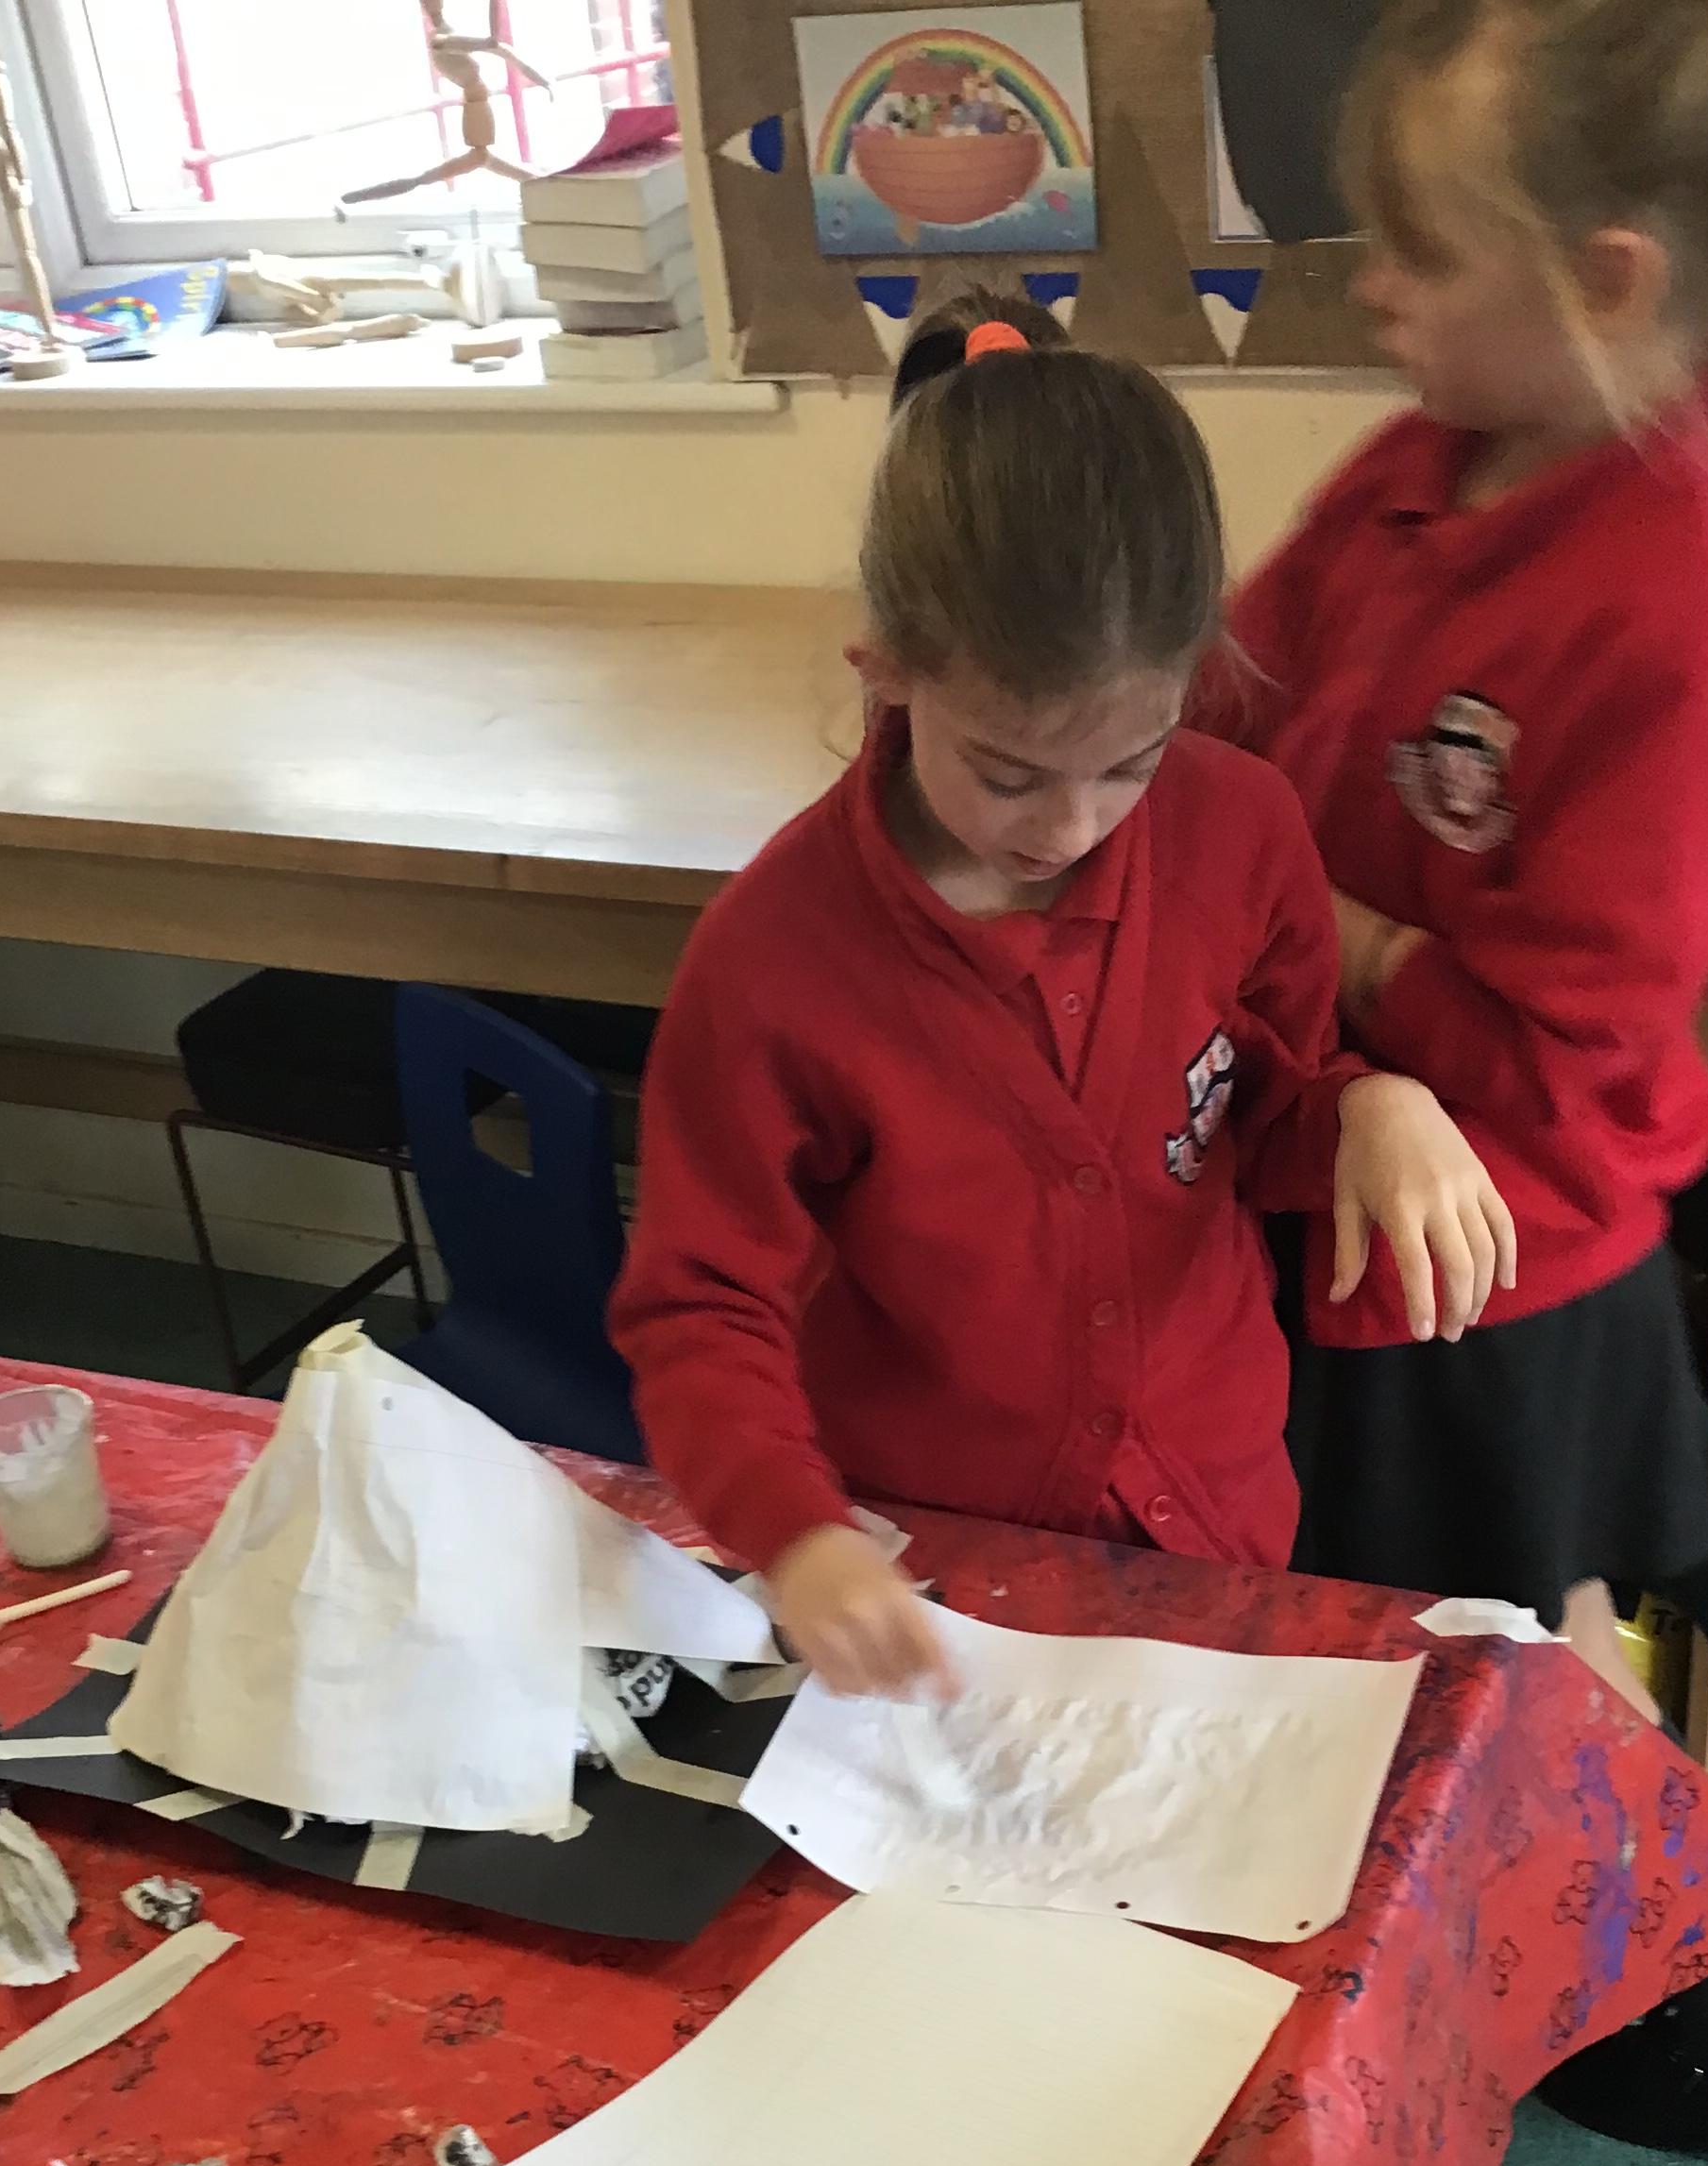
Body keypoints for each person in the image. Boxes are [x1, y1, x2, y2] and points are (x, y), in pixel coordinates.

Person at [1216, 0, 1708, 2160]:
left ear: (1607, 283)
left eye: (1422, 252)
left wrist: (1337, 936)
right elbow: (1232, 701)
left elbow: (1557, 1042)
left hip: (1492, 1273)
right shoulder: (1420, 462)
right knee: (1399, 1662)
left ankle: (1694, 2030)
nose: (1374, 289)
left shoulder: (1685, 603)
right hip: (1333, 1168)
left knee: (1500, 1673)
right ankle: (1441, 1989)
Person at [612, 293, 1513, 1704]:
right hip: (930, 1571)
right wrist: (797, 1535)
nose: (1071, 828)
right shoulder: (777, 958)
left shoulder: (1241, 830)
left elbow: (1259, 1115)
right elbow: (698, 1304)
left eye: (1132, 763)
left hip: (1213, 1523)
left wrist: (1369, 1107)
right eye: (1010, 774)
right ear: (888, 672)